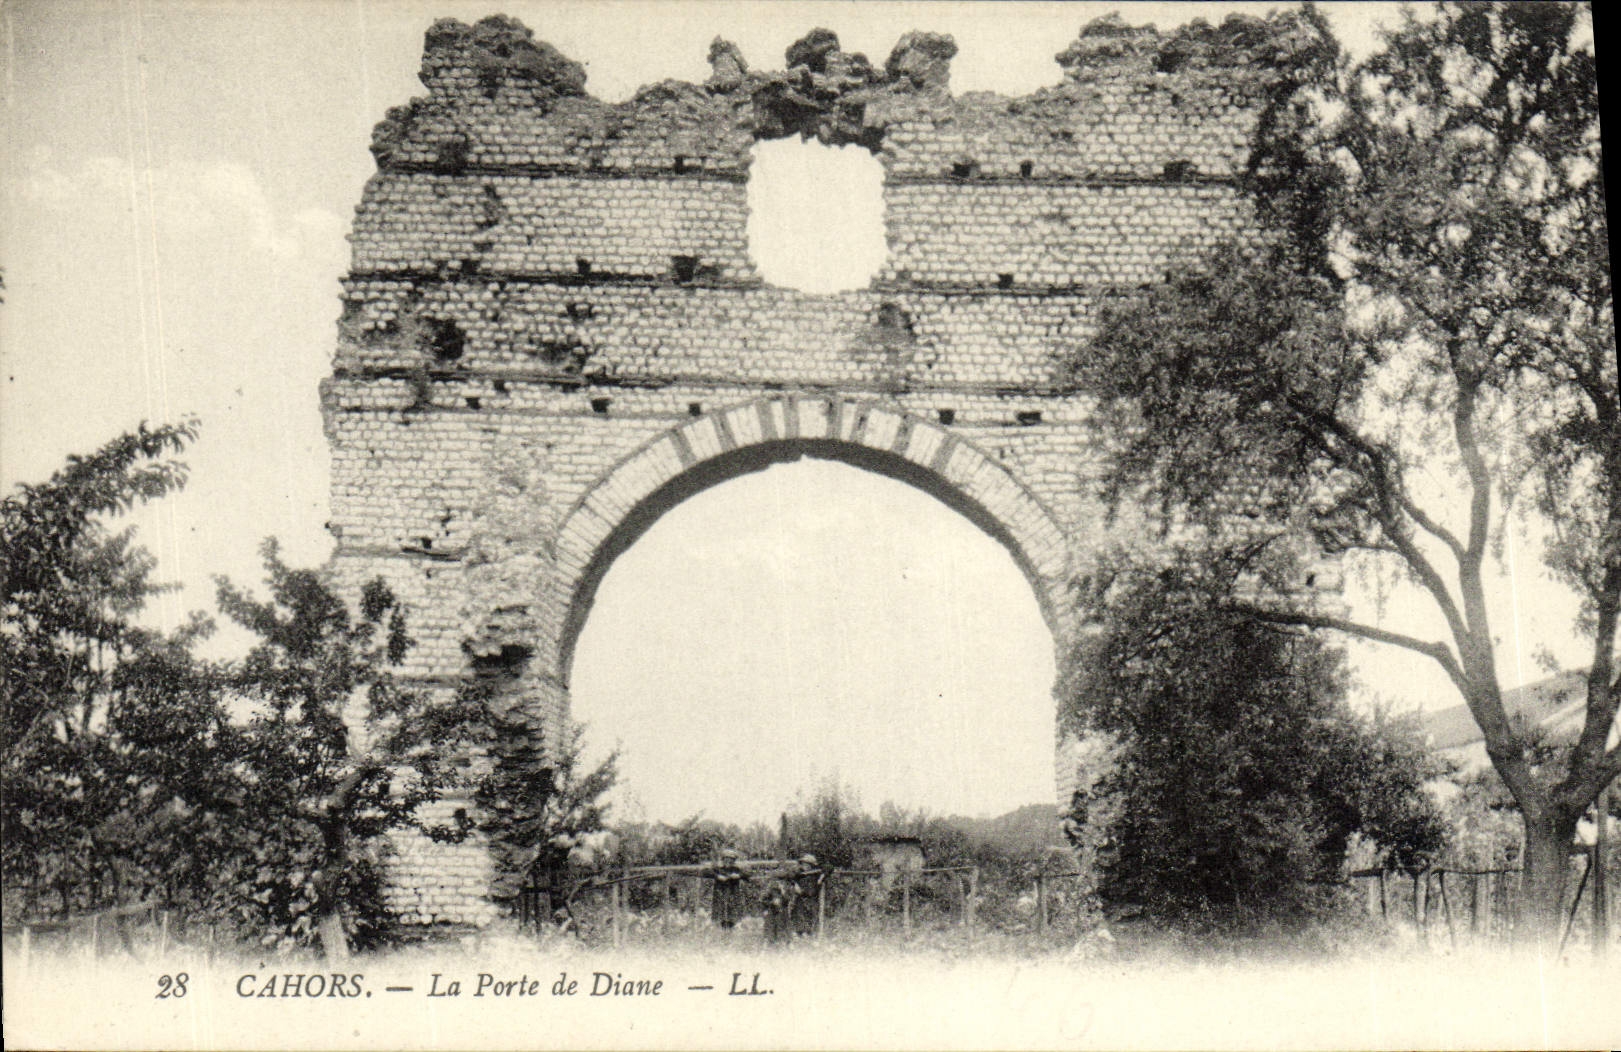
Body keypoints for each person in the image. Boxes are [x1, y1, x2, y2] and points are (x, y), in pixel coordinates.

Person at [709, 848, 747, 930]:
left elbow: (748, 873)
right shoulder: (719, 870)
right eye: (726, 860)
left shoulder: (736, 870)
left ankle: (733, 925)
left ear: (733, 861)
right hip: (720, 893)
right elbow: (707, 872)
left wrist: (738, 876)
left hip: (733, 893)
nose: (728, 862)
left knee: (733, 908)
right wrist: (717, 876)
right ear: (723, 860)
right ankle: (719, 925)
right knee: (720, 908)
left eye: (731, 860)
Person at [790, 854, 823, 938]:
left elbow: (811, 891)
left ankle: (806, 932)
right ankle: (798, 931)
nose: (804, 866)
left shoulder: (813, 876)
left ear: (810, 865)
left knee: (806, 914)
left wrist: (801, 891)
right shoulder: (801, 874)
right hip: (800, 899)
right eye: (803, 863)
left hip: (808, 899)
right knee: (797, 912)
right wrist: (795, 884)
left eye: (806, 864)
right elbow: (791, 877)